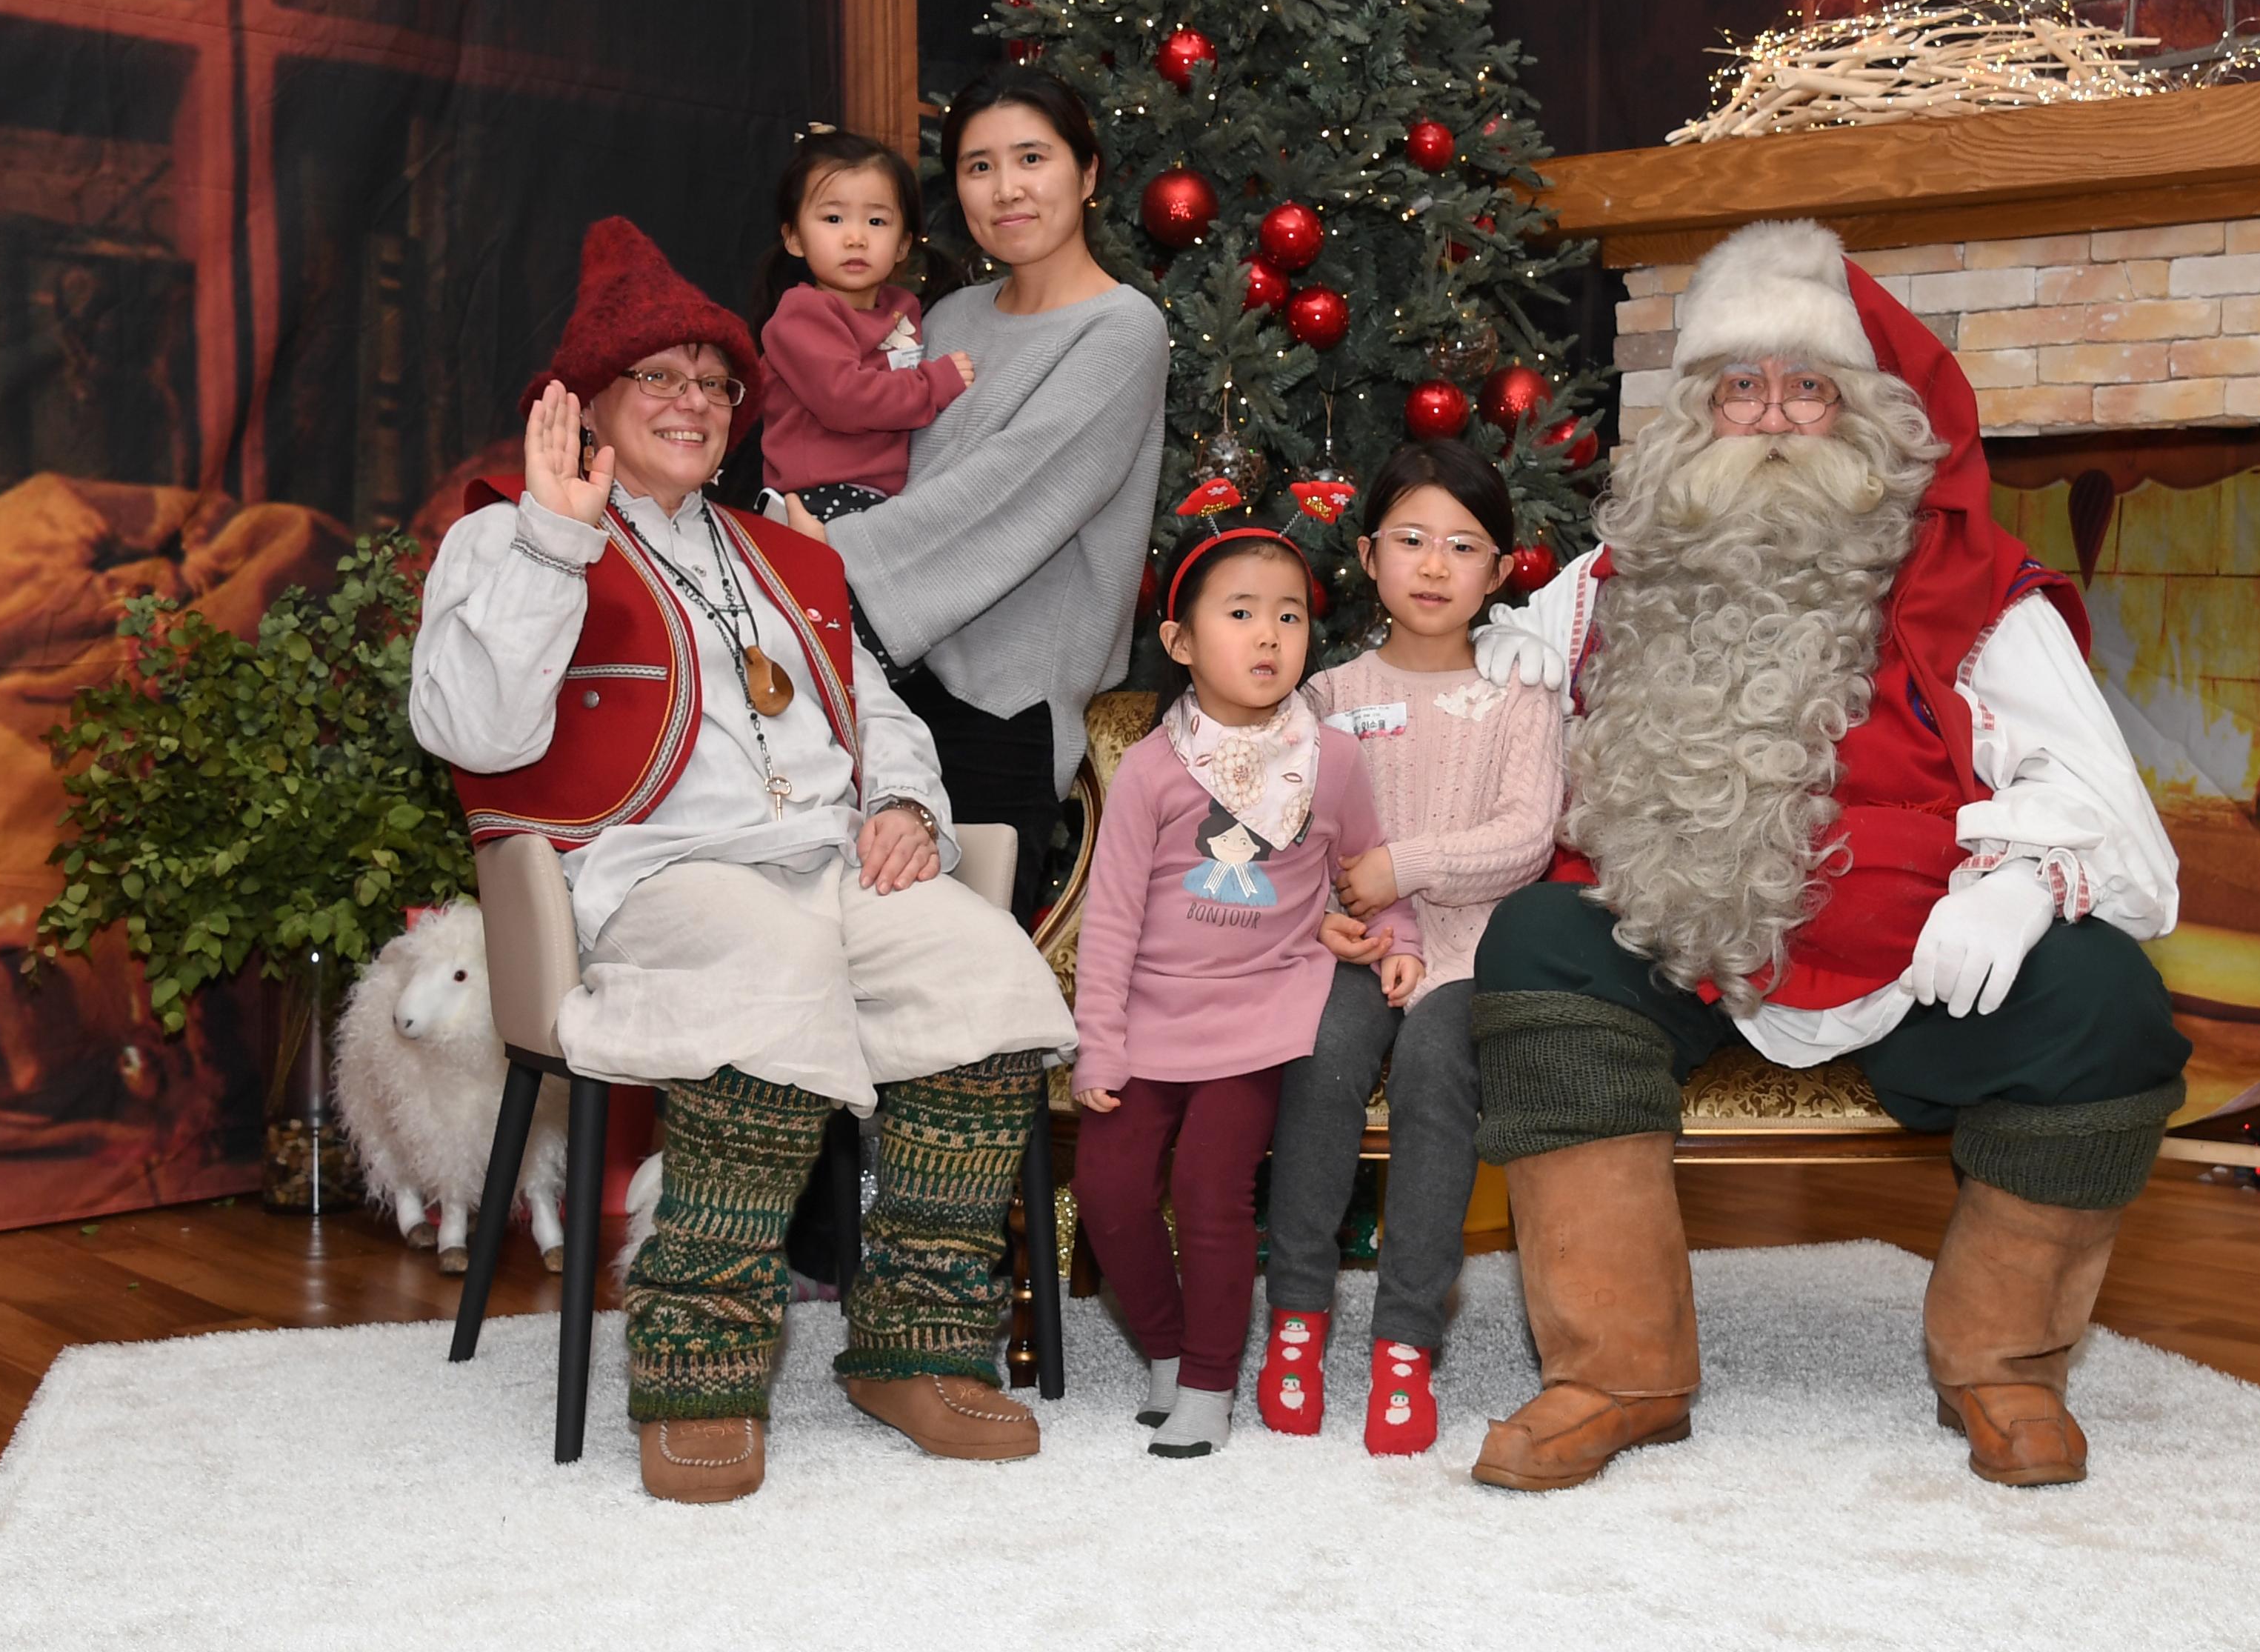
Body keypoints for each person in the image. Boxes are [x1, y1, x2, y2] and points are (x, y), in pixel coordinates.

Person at [1467, 219, 2188, 1493]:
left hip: (1908, 966)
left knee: (2108, 1005)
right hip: (1676, 947)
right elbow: (1494, 660)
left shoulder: (1976, 590)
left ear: (1868, 413)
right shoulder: (1618, 570)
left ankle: (2003, 1362)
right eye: (1738, 387)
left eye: (1808, 387)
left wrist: (2021, 891)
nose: (1772, 419)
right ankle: (1611, 1368)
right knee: (1536, 940)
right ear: (1697, 412)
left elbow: (2125, 837)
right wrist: (1504, 662)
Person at [409, 217, 1079, 1505]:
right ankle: (699, 1362)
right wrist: (558, 541)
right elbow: (472, 735)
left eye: (714, 383)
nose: (695, 401)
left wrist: (903, 807)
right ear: (589, 403)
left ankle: (915, 1345)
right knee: (759, 961)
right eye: (658, 376)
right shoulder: (503, 537)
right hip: (652, 874)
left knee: (981, 969)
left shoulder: (787, 554)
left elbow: (874, 708)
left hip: (826, 862)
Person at [1067, 524, 1421, 1458]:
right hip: (1149, 1013)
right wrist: (1099, 1039)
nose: (1269, 637)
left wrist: (1402, 940)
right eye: (1240, 615)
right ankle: (1167, 1344)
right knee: (1108, 1189)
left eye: (1290, 616)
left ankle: (1210, 1380)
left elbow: (1366, 869)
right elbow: (1108, 919)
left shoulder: (1332, 760)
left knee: (1209, 1186)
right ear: (1182, 642)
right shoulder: (1151, 768)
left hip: (1264, 1009)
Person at [1259, 443, 1564, 1456]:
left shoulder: (1521, 699)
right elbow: (1285, 832)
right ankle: (1296, 1321)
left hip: (1474, 954)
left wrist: (1405, 864)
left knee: (1439, 1063)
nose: (1436, 567)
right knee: (1324, 1055)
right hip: (1350, 947)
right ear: (1368, 555)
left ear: (1503, 571)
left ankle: (1405, 1343)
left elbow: (1525, 837)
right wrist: (1331, 914)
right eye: (1412, 541)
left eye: (1464, 547)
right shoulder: (1330, 696)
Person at [821, 70, 1169, 924]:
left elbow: (1005, 495)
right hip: (880, 696)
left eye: (1031, 158)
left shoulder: (1123, 329)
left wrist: (825, 554)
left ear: (1087, 174)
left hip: (998, 715)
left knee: (957, 1005)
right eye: (978, 166)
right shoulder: (947, 319)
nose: (1006, 187)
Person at [752, 127, 976, 520]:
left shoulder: (902, 308)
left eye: (876, 221)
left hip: (883, 501)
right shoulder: (802, 314)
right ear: (794, 238)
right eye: (833, 218)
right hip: (813, 501)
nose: (856, 238)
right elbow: (845, 399)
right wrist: (934, 385)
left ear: (904, 244)